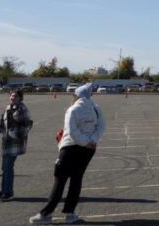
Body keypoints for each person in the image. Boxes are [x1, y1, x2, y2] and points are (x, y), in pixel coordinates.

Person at [29, 83, 105, 224]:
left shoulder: (73, 109)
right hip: (88, 149)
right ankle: (70, 214)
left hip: (70, 148)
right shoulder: (96, 108)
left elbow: (70, 130)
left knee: (60, 180)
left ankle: (46, 214)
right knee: (76, 180)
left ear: (76, 95)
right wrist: (91, 140)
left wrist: (82, 141)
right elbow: (101, 127)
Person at [0, 89, 33, 201]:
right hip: (6, 142)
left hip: (14, 143)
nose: (13, 98)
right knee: (4, 167)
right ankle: (3, 190)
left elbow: (27, 125)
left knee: (8, 167)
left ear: (20, 98)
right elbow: (3, 122)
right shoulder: (8, 107)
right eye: (11, 95)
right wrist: (2, 130)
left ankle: (8, 192)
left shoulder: (22, 109)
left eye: (15, 96)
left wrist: (15, 134)